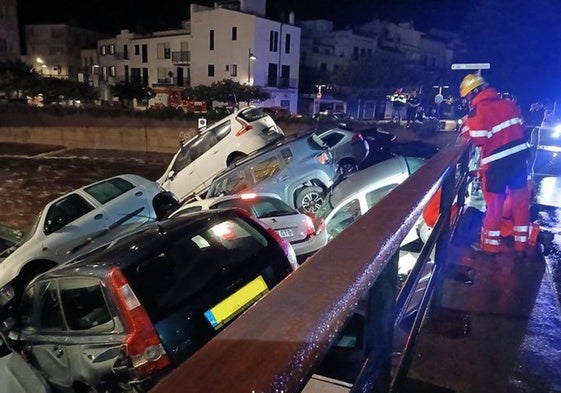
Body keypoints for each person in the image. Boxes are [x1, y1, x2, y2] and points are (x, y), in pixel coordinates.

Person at [458, 73, 531, 258]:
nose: (467, 101)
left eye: (467, 96)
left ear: (474, 93)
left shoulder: (478, 112)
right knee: (520, 203)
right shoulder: (509, 104)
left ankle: (490, 248)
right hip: (519, 160)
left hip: (496, 165)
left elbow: (479, 138)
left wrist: (466, 125)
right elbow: (521, 128)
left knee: (494, 206)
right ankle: (521, 247)